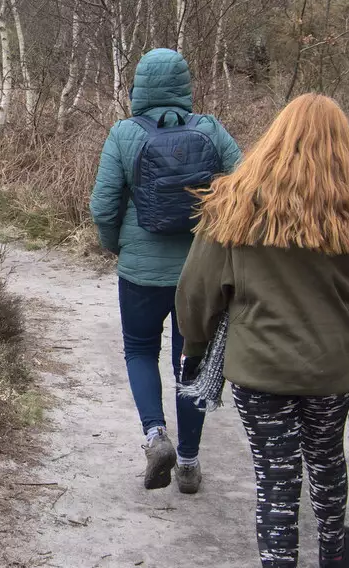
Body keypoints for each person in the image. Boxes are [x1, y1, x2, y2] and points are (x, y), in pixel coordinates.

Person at [176, 94, 349, 568]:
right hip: (332, 367)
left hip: (260, 370)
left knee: (276, 477)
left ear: (273, 137)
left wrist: (198, 346)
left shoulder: (236, 206)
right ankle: (333, 553)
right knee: (326, 454)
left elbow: (197, 293)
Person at [90, 48, 242, 493]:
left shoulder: (124, 134)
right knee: (189, 361)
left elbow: (103, 205)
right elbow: (247, 190)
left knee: (139, 350)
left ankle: (155, 435)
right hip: (198, 274)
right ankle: (190, 463)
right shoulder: (211, 130)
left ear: (139, 87)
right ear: (184, 84)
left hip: (139, 271)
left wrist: (116, 245)